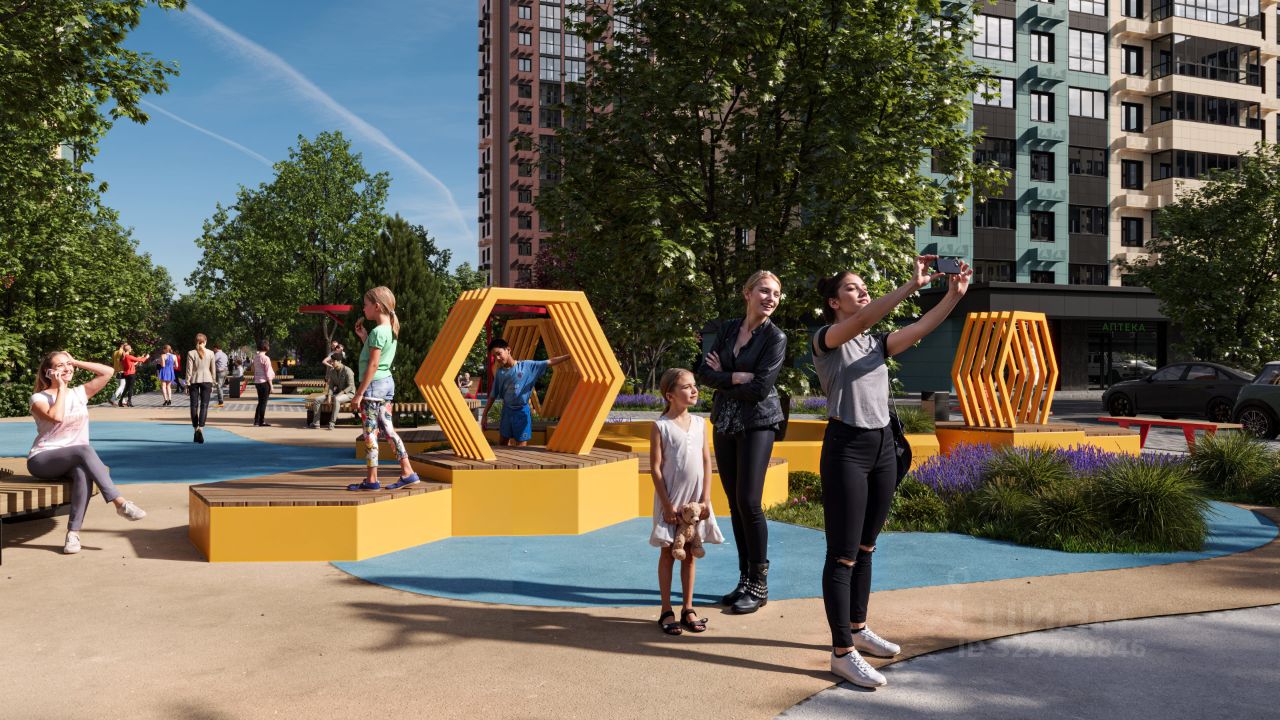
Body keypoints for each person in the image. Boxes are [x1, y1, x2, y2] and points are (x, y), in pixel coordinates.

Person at [812, 256, 972, 688]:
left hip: (882, 445)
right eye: (852, 287)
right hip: (846, 447)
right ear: (834, 302)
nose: (862, 291)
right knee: (842, 554)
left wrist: (953, 297)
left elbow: (919, 329)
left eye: (864, 285)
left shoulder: (875, 344)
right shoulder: (827, 340)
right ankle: (841, 653)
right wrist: (910, 286)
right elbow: (864, 318)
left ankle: (858, 629)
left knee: (866, 547)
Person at [695, 270, 786, 614]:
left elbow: (760, 388)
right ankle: (744, 580)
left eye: (775, 294)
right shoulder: (729, 329)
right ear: (747, 293)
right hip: (725, 421)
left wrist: (724, 377)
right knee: (735, 503)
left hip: (759, 422)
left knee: (749, 501)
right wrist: (734, 376)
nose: (770, 298)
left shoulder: (775, 337)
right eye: (764, 291)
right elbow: (704, 373)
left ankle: (759, 585)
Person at [28, 351, 147, 554]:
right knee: (84, 449)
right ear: (48, 372)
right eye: (60, 366)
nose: (67, 368)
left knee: (83, 474)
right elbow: (56, 417)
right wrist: (61, 388)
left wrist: (75, 361)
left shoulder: (79, 393)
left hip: (75, 459)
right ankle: (120, 503)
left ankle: (73, 534)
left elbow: (108, 372)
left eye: (68, 364)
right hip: (43, 459)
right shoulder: (39, 398)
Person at [649, 368, 724, 636]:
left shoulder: (701, 423)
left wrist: (706, 499)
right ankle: (666, 610)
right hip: (671, 499)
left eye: (694, 385)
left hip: (695, 501)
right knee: (669, 551)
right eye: (686, 386)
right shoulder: (661, 426)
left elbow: (706, 461)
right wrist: (667, 505)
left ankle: (688, 607)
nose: (694, 390)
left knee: (691, 551)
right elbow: (655, 468)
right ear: (670, 395)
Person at [348, 286, 420, 491]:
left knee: (370, 433)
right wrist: (364, 337)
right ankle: (408, 472)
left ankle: (372, 480)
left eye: (366, 305)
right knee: (388, 429)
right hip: (386, 384)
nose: (363, 309)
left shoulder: (378, 331)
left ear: (377, 306)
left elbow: (373, 365)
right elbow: (378, 358)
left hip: (373, 387)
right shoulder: (390, 329)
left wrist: (359, 394)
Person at [481, 339, 571, 447]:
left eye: (499, 354)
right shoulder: (500, 373)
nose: (497, 358)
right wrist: (484, 415)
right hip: (507, 411)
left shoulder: (527, 366)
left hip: (522, 412)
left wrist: (570, 356)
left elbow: (550, 361)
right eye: (494, 356)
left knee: (521, 447)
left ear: (508, 350)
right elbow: (493, 395)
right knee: (502, 443)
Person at [307, 354, 355, 430]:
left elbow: (351, 386)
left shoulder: (348, 370)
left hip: (349, 394)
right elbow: (331, 386)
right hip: (337, 394)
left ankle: (332, 423)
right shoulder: (332, 371)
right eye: (331, 361)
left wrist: (340, 394)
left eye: (333, 361)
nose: (331, 363)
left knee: (336, 399)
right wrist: (329, 396)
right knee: (317, 400)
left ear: (339, 361)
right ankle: (316, 423)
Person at [186, 333, 217, 443]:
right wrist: (213, 382)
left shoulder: (191, 353)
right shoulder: (211, 353)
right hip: (207, 380)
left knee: (193, 405)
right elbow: (213, 370)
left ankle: (195, 429)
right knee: (204, 406)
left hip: (194, 380)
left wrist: (187, 383)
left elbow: (189, 370)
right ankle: (201, 428)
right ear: (205, 341)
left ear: (196, 342)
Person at [251, 341, 274, 427]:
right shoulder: (266, 358)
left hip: (257, 381)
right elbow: (268, 373)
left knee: (260, 402)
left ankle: (256, 421)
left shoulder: (256, 357)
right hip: (264, 382)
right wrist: (271, 385)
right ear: (265, 347)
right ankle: (261, 421)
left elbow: (254, 369)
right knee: (263, 402)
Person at [119, 343, 148, 407]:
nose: (131, 349)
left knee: (126, 388)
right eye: (130, 348)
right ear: (129, 349)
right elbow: (141, 360)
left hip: (126, 374)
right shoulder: (129, 356)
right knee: (130, 388)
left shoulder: (123, 357)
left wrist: (139, 358)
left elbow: (131, 363)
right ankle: (129, 402)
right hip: (131, 374)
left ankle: (120, 401)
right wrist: (146, 357)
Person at [109, 342, 127, 407]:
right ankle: (112, 399)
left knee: (121, 387)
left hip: (116, 371)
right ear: (122, 345)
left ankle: (123, 401)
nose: (126, 346)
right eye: (125, 345)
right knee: (122, 386)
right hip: (121, 372)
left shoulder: (115, 352)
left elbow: (113, 361)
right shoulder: (122, 352)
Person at [212, 343, 229, 408]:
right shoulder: (224, 354)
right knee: (221, 387)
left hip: (220, 372)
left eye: (213, 349)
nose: (213, 350)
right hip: (225, 371)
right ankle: (221, 401)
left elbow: (212, 361)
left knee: (219, 387)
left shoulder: (217, 354)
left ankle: (221, 402)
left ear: (216, 348)